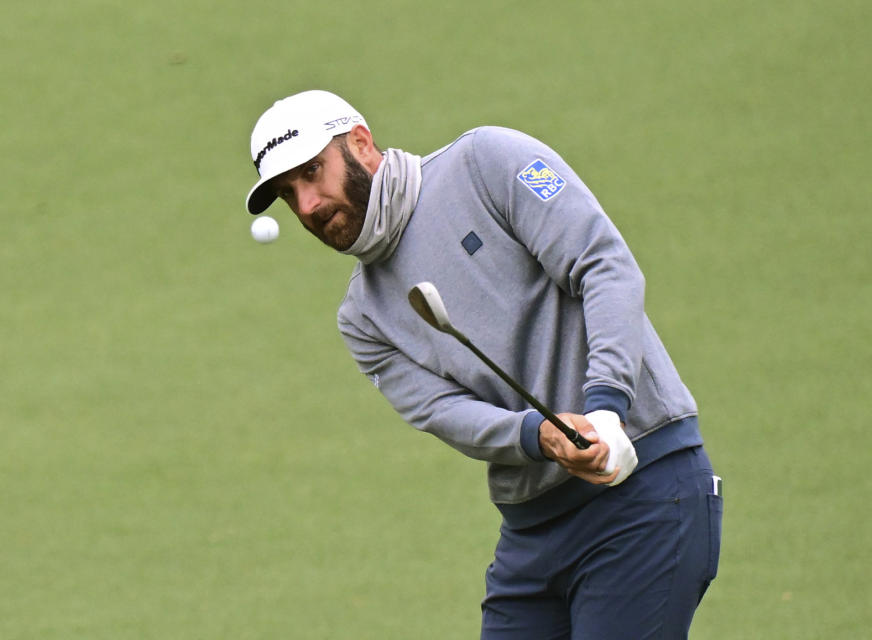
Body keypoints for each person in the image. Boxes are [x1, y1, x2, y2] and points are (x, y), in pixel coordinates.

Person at [245, 89, 723, 639]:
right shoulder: (363, 317)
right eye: (288, 193)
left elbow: (605, 266)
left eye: (312, 172)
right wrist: (539, 434)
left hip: (643, 489)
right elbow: (443, 412)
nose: (306, 205)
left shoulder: (487, 163)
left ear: (360, 143)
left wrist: (608, 408)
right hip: (532, 534)